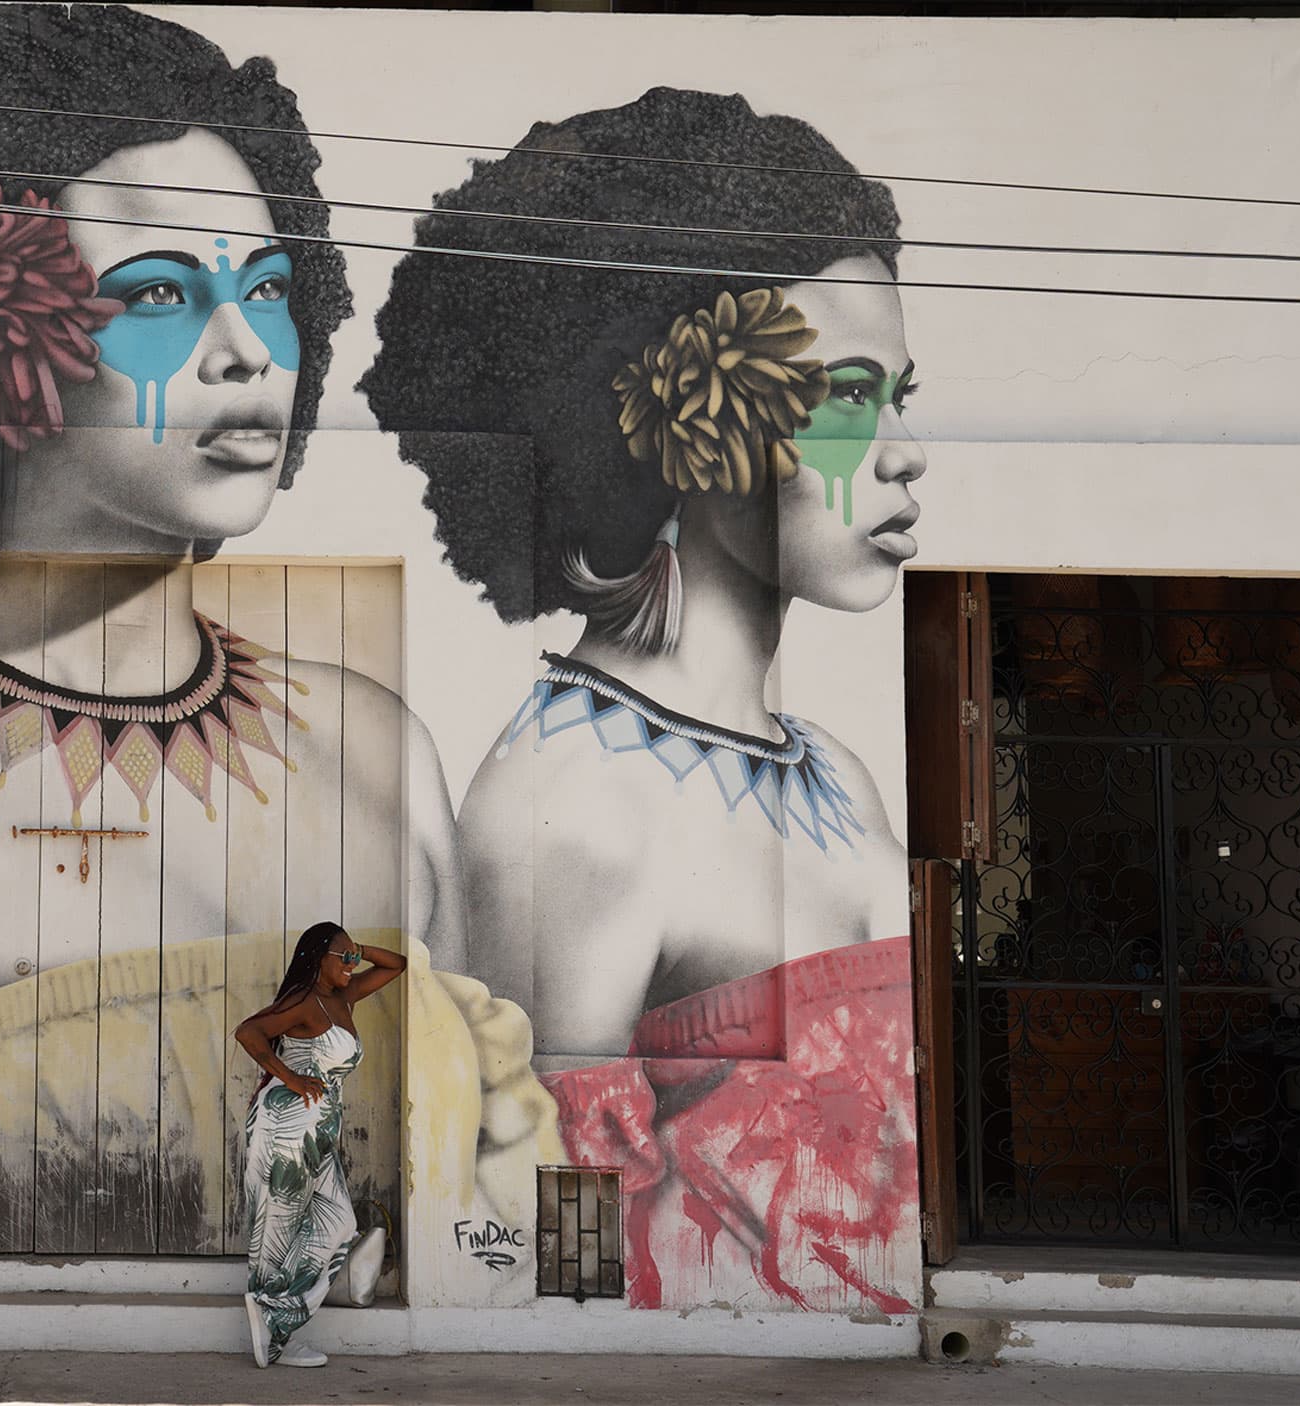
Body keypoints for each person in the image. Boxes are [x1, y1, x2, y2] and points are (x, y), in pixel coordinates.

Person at [0, 2, 466, 1254]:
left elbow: (465, 1178)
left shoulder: (386, 749)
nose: (245, 354)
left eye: (268, 290)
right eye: (161, 293)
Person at [363, 88, 923, 1311]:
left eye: (898, 398)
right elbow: (541, 1195)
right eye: (841, 398)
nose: (899, 451)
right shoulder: (573, 803)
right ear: (689, 423)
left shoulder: (828, 764)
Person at [231, 922, 402, 1368]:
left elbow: (396, 965)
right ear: (317, 959)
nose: (352, 965)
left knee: (338, 1224)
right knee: (281, 1228)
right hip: (288, 1126)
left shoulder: (343, 996)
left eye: (353, 958)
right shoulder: (305, 1001)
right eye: (342, 957)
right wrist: (288, 1076)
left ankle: (277, 1317)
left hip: (316, 1130)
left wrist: (356, 948)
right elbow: (249, 1031)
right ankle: (274, 1330)